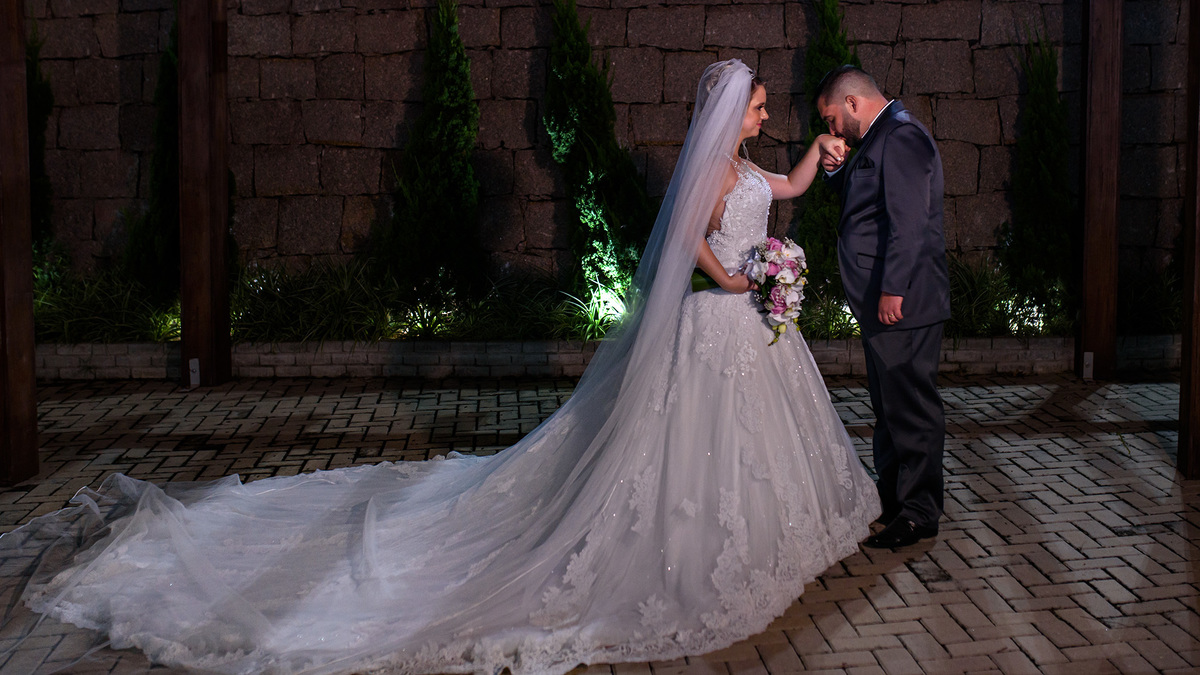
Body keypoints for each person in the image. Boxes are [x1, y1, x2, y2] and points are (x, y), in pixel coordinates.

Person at [0, 60, 879, 675]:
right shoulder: (710, 178)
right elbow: (693, 247)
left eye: (764, 110)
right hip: (725, 318)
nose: (767, 116)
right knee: (684, 453)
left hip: (753, 324)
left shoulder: (751, 169)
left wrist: (819, 163)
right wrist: (746, 281)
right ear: (734, 115)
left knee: (746, 447)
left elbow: (789, 194)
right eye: (761, 108)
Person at [815, 65, 950, 549]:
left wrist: (893, 287)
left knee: (912, 407)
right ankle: (894, 500)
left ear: (852, 103)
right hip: (882, 302)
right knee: (889, 406)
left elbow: (910, 220)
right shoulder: (878, 138)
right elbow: (870, 202)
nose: (831, 130)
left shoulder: (903, 135)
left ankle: (919, 514)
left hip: (904, 302)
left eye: (831, 119)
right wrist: (836, 175)